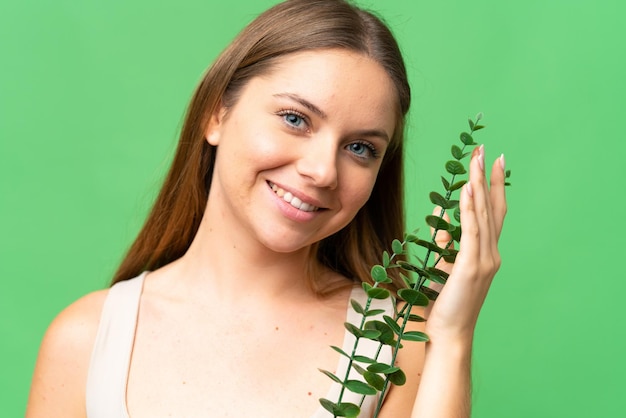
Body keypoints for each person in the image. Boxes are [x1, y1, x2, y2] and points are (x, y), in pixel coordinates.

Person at [26, 0, 507, 417]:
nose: (323, 171)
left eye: (360, 148)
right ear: (217, 112)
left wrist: (452, 336)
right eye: (295, 119)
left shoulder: (395, 344)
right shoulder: (86, 341)